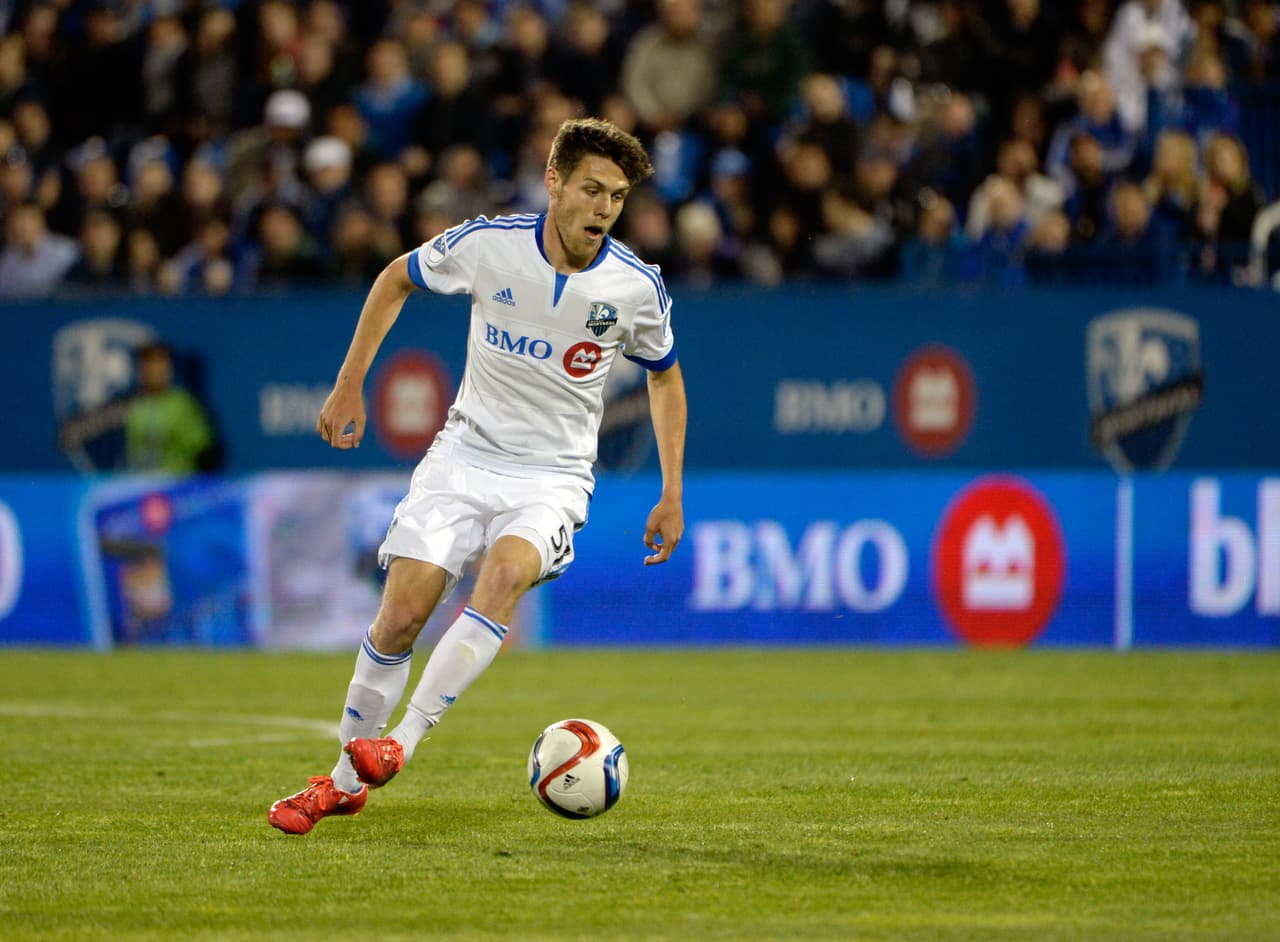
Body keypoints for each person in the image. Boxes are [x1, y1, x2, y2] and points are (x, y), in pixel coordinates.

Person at [268, 117, 688, 836]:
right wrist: (348, 384)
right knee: (401, 614)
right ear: (553, 183)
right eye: (591, 189)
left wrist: (672, 491)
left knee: (503, 576)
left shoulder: (635, 288)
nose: (603, 208)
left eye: (617, 197)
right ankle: (342, 782)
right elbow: (394, 277)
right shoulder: (489, 245)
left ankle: (399, 745)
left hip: (552, 477)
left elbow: (665, 379)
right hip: (463, 458)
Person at [124, 341, 216, 474]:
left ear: (168, 368)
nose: (154, 370)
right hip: (142, 486)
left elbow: (203, 451)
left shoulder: (182, 404)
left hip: (177, 487)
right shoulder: (137, 407)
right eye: (148, 363)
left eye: (159, 363)